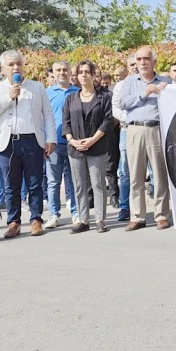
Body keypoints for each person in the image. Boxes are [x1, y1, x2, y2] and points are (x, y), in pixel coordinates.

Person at [0, 50, 56, 238]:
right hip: (7, 143)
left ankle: (36, 220)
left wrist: (51, 138)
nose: (16, 67)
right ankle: (13, 222)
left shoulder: (37, 87)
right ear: (3, 69)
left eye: (19, 64)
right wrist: (9, 97)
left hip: (32, 140)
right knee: (11, 185)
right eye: (11, 65)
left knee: (35, 183)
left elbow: (47, 114)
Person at [119, 46, 173, 231]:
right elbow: (123, 103)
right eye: (139, 59)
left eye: (146, 59)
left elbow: (173, 103)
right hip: (135, 130)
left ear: (154, 62)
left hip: (156, 129)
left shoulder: (166, 81)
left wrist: (166, 92)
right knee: (135, 175)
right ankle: (137, 216)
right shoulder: (129, 81)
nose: (142, 63)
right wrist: (145, 93)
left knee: (159, 175)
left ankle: (161, 215)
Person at [63, 60, 114, 233]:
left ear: (93, 75)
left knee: (98, 184)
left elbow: (107, 121)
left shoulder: (104, 97)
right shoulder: (71, 99)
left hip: (97, 147)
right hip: (75, 148)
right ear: (77, 76)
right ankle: (83, 220)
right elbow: (66, 122)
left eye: (87, 72)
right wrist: (71, 140)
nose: (83, 75)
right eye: (80, 72)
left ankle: (100, 219)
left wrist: (93, 139)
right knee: (79, 185)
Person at [44, 61, 80, 229]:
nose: (62, 73)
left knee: (75, 181)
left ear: (70, 72)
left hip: (74, 143)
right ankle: (54, 215)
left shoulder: (78, 92)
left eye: (65, 70)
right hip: (54, 143)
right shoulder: (47, 93)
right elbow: (42, 118)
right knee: (53, 181)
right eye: (58, 70)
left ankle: (76, 213)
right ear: (53, 72)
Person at [111, 54, 137, 221]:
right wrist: (130, 119)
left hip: (148, 128)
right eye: (132, 64)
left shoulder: (150, 83)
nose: (135, 67)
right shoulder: (120, 86)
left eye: (137, 63)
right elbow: (116, 108)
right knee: (125, 171)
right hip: (127, 129)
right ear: (127, 67)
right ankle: (125, 207)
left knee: (152, 171)